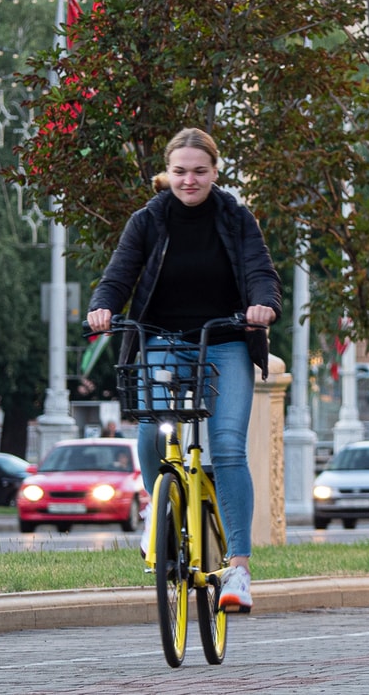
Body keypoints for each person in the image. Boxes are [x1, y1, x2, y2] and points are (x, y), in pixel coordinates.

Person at [86, 127, 281, 612]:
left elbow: (260, 270)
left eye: (199, 171)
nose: (189, 180)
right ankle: (160, 510)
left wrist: (263, 305)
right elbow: (119, 274)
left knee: (229, 448)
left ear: (215, 172)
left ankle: (238, 570)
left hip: (226, 340)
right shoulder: (148, 220)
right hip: (163, 340)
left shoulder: (236, 218)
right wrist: (102, 307)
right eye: (179, 172)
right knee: (153, 429)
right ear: (167, 172)